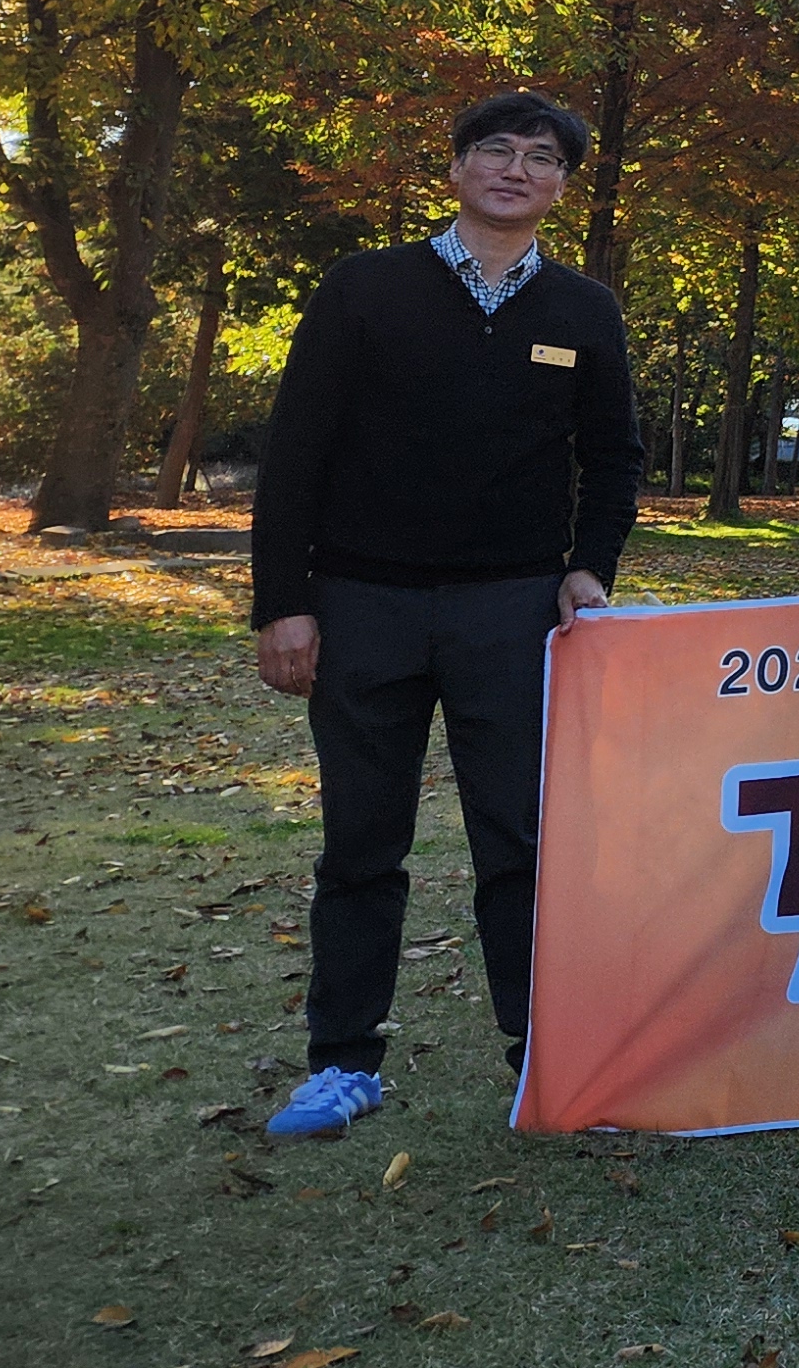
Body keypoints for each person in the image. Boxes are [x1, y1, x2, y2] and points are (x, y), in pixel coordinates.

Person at [246, 91, 641, 1140]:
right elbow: (295, 454)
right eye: (496, 149)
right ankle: (342, 1063)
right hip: (361, 603)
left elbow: (612, 460)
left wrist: (588, 570)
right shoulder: (367, 289)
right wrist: (282, 602)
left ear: (563, 184)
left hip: (512, 612)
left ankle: (544, 1058)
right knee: (361, 840)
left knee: (519, 838)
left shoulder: (582, 311)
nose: (517, 168)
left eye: (542, 157)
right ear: (459, 166)